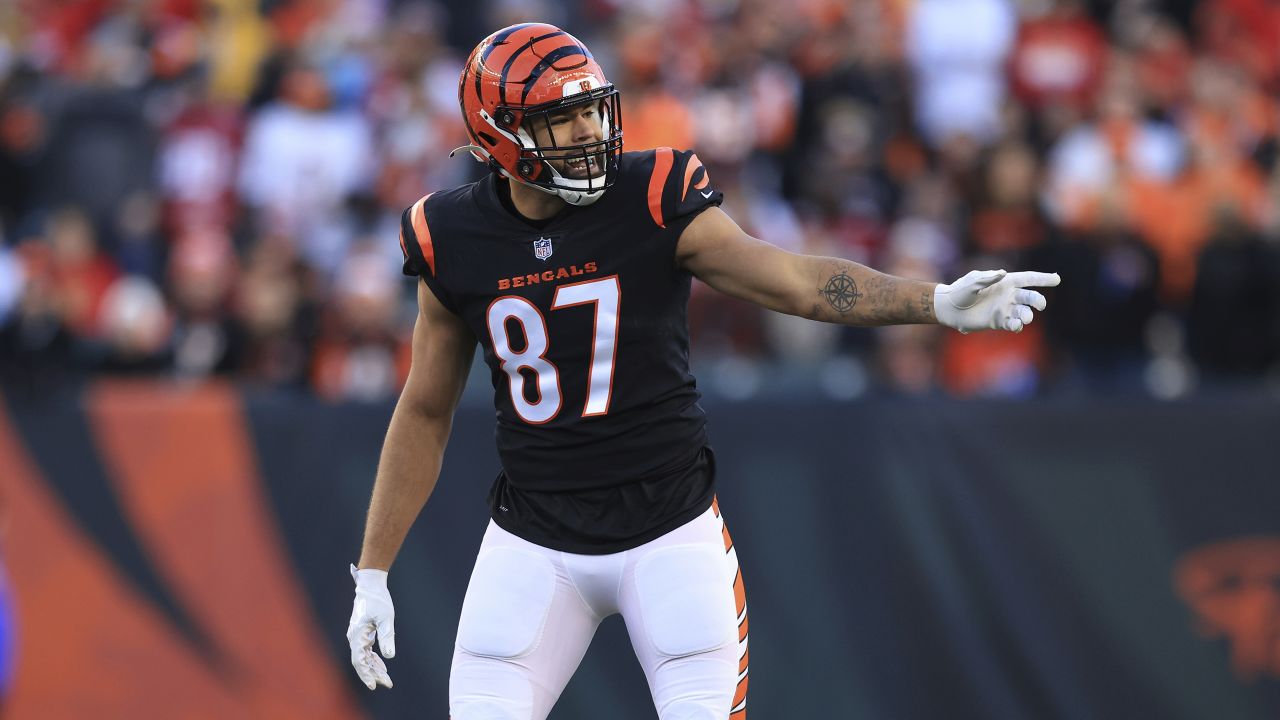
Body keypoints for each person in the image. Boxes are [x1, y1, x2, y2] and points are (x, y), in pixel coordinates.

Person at [347, 22, 1060, 720]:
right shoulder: (450, 235)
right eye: (563, 121)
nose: (591, 132)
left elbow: (795, 282)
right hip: (531, 544)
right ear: (498, 136)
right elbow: (424, 409)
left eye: (593, 110)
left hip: (670, 535)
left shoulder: (650, 194)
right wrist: (373, 571)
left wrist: (935, 301)